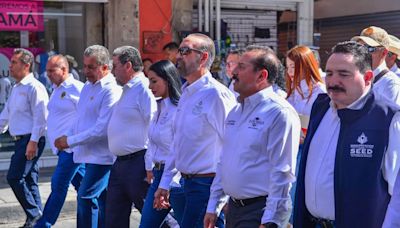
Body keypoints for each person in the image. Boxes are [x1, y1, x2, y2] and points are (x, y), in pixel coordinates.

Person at [293, 41, 400, 228]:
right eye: (330, 73)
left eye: (344, 74)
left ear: (367, 78)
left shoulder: (387, 118)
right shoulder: (321, 107)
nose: (333, 81)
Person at [204, 45, 300, 228]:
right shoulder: (235, 111)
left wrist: (271, 221)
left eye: (241, 67)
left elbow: (282, 173)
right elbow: (224, 161)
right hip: (233, 209)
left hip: (259, 213)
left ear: (262, 76)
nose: (233, 72)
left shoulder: (279, 112)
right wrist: (213, 205)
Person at [154, 33, 236, 228]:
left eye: (185, 51)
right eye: (179, 51)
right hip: (186, 184)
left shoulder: (216, 94)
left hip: (207, 186)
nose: (178, 56)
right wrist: (165, 183)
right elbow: (178, 142)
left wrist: (219, 199)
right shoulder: (187, 92)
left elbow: (232, 145)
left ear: (204, 57)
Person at [54, 45, 122, 228]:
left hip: (104, 157)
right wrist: (67, 137)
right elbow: (80, 120)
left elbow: (102, 128)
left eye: (91, 67)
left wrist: (69, 141)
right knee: (104, 201)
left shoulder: (111, 89)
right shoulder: (87, 87)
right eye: (85, 66)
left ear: (105, 67)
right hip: (87, 154)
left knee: (85, 196)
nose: (86, 71)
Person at [105, 46, 157, 228]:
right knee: (113, 215)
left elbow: (153, 126)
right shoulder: (127, 89)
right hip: (120, 164)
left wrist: (150, 165)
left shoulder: (144, 88)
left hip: (138, 163)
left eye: (115, 66)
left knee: (154, 215)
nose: (112, 71)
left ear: (128, 66)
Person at [35, 55, 85, 228]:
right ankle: (99, 219)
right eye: (46, 70)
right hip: (63, 149)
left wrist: (72, 139)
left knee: (58, 185)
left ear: (64, 70)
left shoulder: (77, 88)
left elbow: (88, 115)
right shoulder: (56, 89)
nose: (47, 74)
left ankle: (43, 224)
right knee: (86, 189)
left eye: (51, 70)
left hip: (71, 148)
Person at [1, 48, 48, 228]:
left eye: (14, 62)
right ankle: (38, 222)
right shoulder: (16, 87)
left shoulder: (35, 87)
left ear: (26, 65)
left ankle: (35, 214)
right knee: (29, 180)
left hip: (31, 139)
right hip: (21, 140)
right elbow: (6, 115)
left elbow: (41, 118)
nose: (10, 66)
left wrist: (33, 142)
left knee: (14, 177)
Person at [139, 60, 184, 227]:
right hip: (158, 176)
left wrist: (168, 181)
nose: (150, 86)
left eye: (154, 81)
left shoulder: (179, 110)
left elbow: (178, 148)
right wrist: (149, 167)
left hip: (176, 178)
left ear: (168, 79)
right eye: (149, 80)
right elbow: (152, 141)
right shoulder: (158, 107)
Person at [351, 26, 400, 104]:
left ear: (384, 53)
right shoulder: (356, 76)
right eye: (359, 47)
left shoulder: (391, 84)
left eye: (369, 48)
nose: (363, 52)